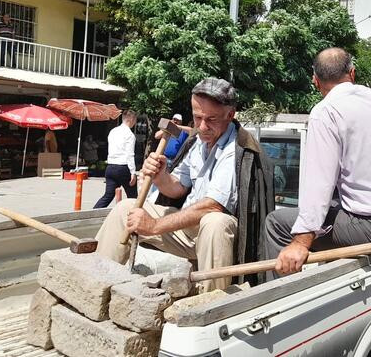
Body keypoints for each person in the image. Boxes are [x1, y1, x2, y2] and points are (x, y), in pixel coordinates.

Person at [95, 78, 274, 292]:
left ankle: (210, 301)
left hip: (219, 238)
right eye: (197, 117)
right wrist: (161, 175)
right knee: (126, 209)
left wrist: (153, 226)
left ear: (230, 115)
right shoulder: (198, 142)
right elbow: (178, 187)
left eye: (212, 119)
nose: (203, 126)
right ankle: (96, 283)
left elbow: (212, 206)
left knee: (215, 222)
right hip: (185, 228)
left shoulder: (237, 150)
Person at [263, 47, 371, 278]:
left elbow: (319, 182)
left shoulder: (325, 112)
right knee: (335, 209)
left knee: (277, 222)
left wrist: (301, 242)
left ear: (315, 81)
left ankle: (281, 301)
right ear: (352, 73)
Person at [94, 111, 138, 208]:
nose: (135, 122)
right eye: (135, 120)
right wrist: (133, 172)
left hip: (110, 167)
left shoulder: (113, 131)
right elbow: (130, 154)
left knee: (108, 195)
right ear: (131, 119)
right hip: (123, 167)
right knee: (133, 197)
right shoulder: (130, 135)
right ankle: (134, 216)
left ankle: (91, 214)